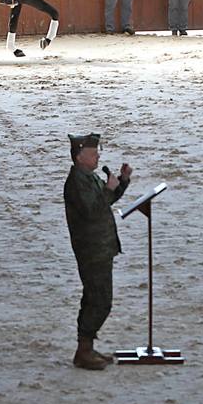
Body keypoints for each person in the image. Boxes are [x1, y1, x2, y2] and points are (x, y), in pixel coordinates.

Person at [63, 132, 132, 371]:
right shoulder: (76, 182)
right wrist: (108, 190)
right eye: (93, 154)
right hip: (91, 249)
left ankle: (87, 348)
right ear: (79, 157)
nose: (97, 157)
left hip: (101, 247)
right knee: (99, 299)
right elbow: (92, 211)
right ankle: (83, 350)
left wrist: (121, 183)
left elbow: (106, 201)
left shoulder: (88, 177)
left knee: (98, 298)